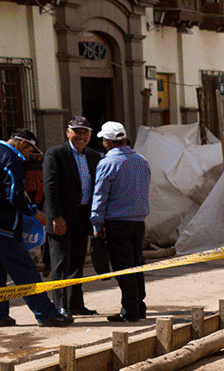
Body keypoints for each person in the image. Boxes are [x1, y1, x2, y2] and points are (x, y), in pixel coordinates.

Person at [0, 128, 70, 327]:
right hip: (5, 227)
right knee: (26, 271)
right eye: (30, 151)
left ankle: (0, 315)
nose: (29, 156)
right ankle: (46, 313)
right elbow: (14, 195)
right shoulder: (12, 157)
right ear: (23, 144)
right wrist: (34, 212)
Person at [90, 121, 151, 323]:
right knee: (137, 264)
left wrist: (96, 225)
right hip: (138, 222)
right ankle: (139, 306)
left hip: (117, 223)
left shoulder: (107, 164)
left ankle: (130, 310)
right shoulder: (142, 161)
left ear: (107, 142)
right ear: (124, 139)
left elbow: (100, 196)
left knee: (123, 266)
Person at [43, 115, 102, 318]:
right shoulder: (56, 154)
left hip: (83, 216)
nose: (81, 136)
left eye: (85, 132)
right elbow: (50, 188)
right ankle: (60, 306)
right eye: (77, 131)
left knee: (77, 262)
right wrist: (56, 216)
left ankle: (76, 304)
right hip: (61, 219)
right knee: (60, 263)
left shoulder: (94, 156)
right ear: (68, 132)